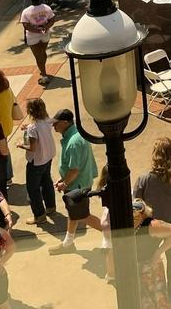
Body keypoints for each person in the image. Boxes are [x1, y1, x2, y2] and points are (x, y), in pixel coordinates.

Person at [133, 138, 171, 299]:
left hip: (153, 226)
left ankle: (151, 290)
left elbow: (137, 204)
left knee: (148, 258)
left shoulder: (144, 179)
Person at [50, 109, 101, 255]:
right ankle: (68, 243)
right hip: (79, 182)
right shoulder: (77, 133)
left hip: (77, 186)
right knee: (73, 214)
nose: (54, 127)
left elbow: (74, 170)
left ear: (65, 122)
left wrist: (64, 183)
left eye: (56, 124)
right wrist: (63, 178)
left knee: (83, 216)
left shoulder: (73, 142)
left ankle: (113, 235)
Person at [15, 98, 56, 224]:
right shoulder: (47, 121)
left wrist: (20, 144)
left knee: (33, 189)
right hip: (47, 157)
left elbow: (32, 147)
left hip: (36, 161)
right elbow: (39, 127)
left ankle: (39, 215)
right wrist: (27, 127)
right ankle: (50, 207)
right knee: (46, 181)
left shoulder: (33, 128)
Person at [19, 0, 55, 85]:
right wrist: (45, 28)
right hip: (45, 34)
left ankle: (44, 75)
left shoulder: (26, 11)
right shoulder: (47, 8)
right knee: (42, 53)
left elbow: (26, 25)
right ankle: (42, 68)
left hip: (32, 37)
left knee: (38, 55)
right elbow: (52, 19)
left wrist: (36, 30)